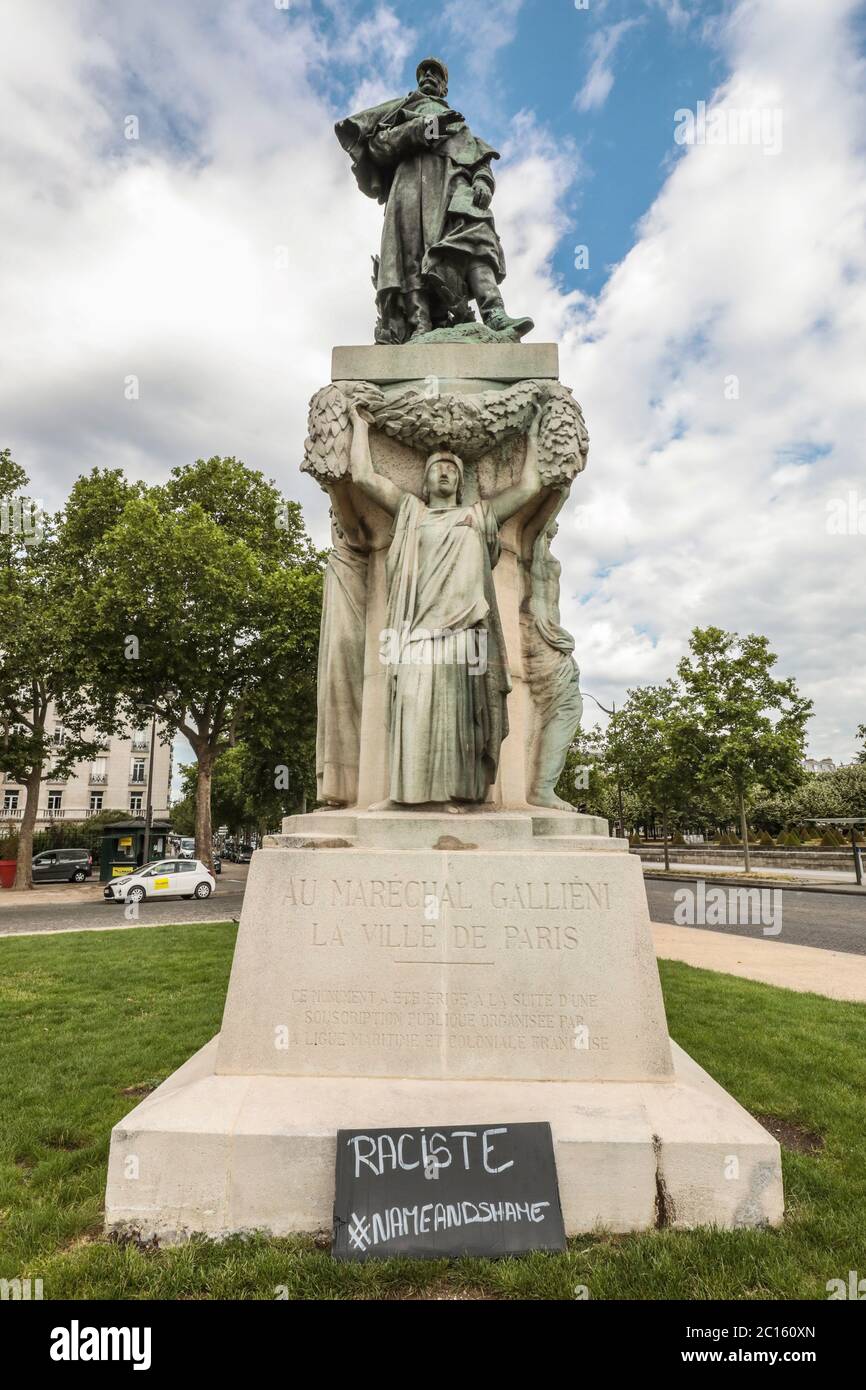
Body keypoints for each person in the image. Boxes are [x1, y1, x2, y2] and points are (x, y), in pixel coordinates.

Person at [347, 402, 544, 807]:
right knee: (411, 710)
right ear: (425, 476)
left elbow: (528, 489)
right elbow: (364, 476)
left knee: (458, 722)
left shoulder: (479, 515)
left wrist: (533, 432)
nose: (445, 471)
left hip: (464, 634)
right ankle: (404, 795)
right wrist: (359, 425)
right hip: (416, 632)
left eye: (452, 468)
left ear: (460, 479)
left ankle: (460, 794)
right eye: (437, 466)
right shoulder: (410, 512)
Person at [335, 56, 534, 343]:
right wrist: (424, 128)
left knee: (478, 239)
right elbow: (378, 147)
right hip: (410, 185)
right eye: (424, 72)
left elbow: (478, 160)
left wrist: (482, 180)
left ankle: (494, 313)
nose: (428, 75)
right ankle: (420, 325)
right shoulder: (399, 112)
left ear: (444, 88)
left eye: (436, 74)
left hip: (453, 187)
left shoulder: (459, 124)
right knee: (409, 252)